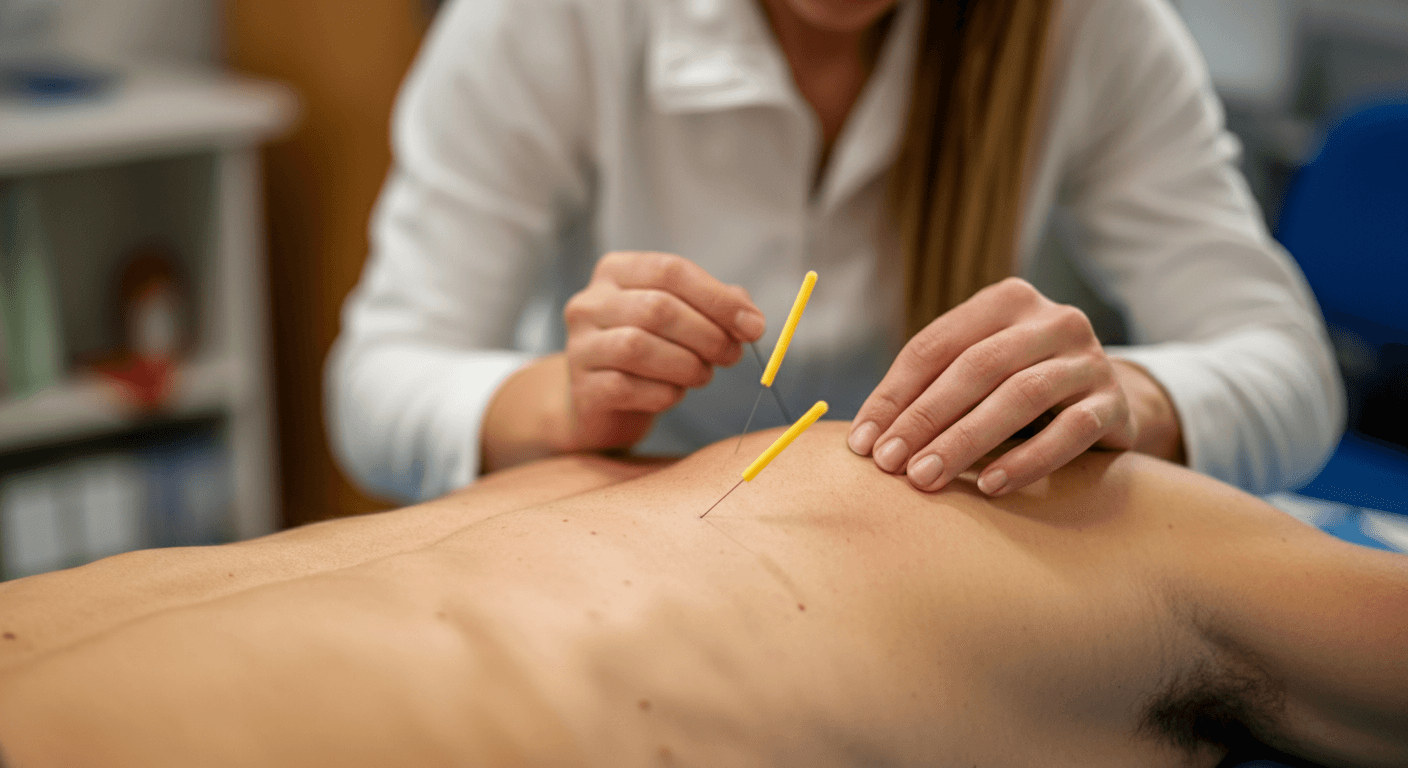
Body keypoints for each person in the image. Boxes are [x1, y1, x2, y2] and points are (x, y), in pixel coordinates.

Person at [327, 0, 1343, 503]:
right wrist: (559, 404)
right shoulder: (549, 19)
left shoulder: (1081, 26)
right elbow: (375, 385)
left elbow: (1288, 371)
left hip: (921, 576)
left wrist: (1124, 398)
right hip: (633, 548)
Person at [1, 423, 1405, 767]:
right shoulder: (1121, 529)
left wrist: (1159, 397)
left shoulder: (579, 478)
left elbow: (1259, 349)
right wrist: (538, 394)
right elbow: (396, 362)